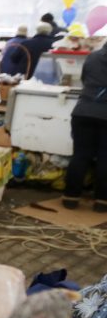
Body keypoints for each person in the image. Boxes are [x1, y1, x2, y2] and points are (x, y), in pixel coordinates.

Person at [63, 42, 107, 212]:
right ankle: (102, 202)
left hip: (83, 111)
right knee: (105, 157)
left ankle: (70, 198)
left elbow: (84, 79)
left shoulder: (92, 56)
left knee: (80, 155)